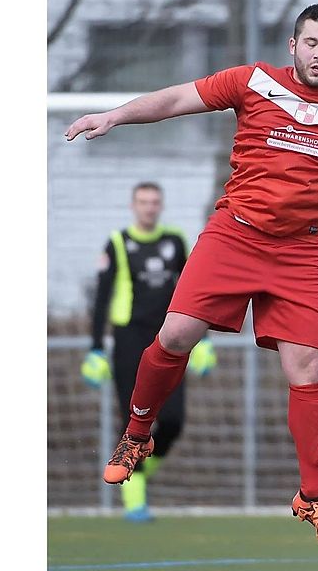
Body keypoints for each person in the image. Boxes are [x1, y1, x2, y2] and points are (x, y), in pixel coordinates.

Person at [66, 3, 318, 549]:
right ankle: (137, 434)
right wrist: (116, 116)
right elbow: (177, 99)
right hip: (235, 235)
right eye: (312, 43)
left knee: (308, 369)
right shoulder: (253, 81)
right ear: (293, 45)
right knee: (175, 334)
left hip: (301, 253)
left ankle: (313, 496)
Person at [82, 181, 217, 522]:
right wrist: (96, 349)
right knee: (132, 420)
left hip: (168, 340)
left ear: (161, 206)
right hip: (129, 341)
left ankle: (139, 471)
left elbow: (194, 291)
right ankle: (134, 501)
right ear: (133, 206)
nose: (149, 207)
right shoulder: (118, 243)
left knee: (172, 421)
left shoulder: (175, 241)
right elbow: (101, 300)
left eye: (154, 201)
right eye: (143, 201)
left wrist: (204, 341)